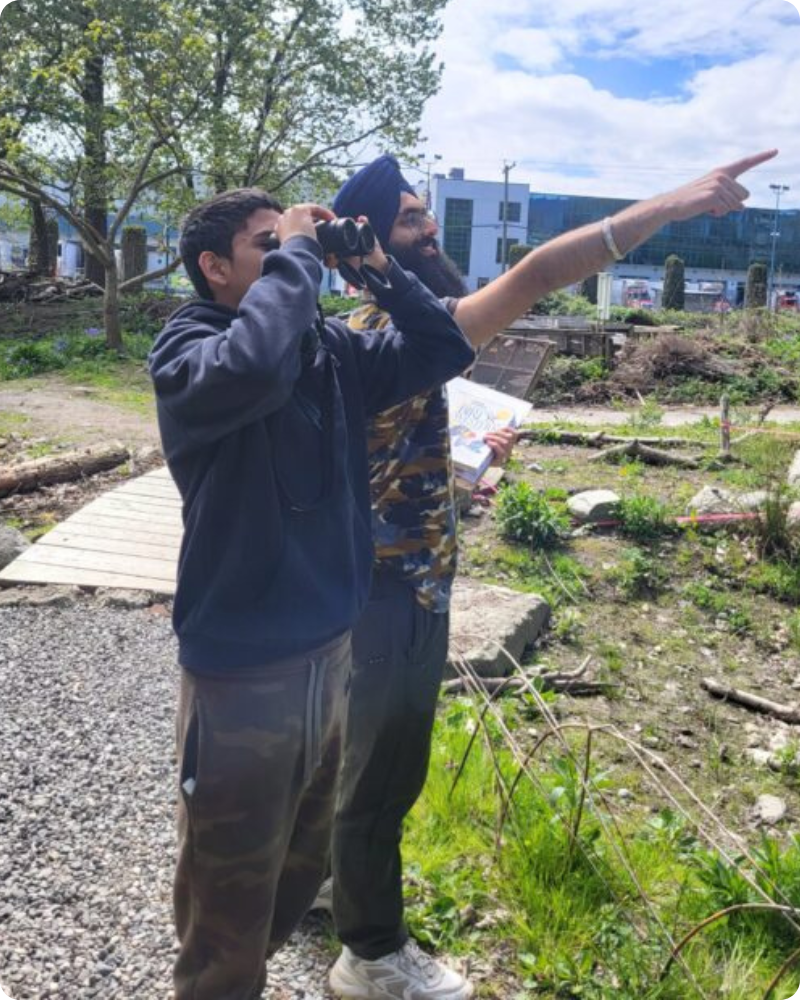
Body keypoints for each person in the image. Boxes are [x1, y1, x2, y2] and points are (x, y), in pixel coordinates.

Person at [323, 148, 778, 1000]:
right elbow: (538, 273)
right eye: (411, 219)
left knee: (352, 764)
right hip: (392, 597)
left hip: (390, 581)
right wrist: (668, 205)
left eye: (425, 213)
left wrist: (468, 474)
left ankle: (330, 882)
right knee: (383, 777)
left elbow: (384, 467)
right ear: (369, 250)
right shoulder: (392, 328)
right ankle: (372, 955)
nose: (428, 230)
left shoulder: (380, 339)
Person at [147, 187, 475, 1000]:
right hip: (243, 672)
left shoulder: (327, 349)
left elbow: (443, 348)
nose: (292, 257)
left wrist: (379, 269)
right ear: (215, 269)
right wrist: (299, 252)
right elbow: (253, 365)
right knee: (228, 900)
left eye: (287, 246)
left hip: (330, 654)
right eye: (265, 246)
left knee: (296, 870)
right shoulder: (190, 346)